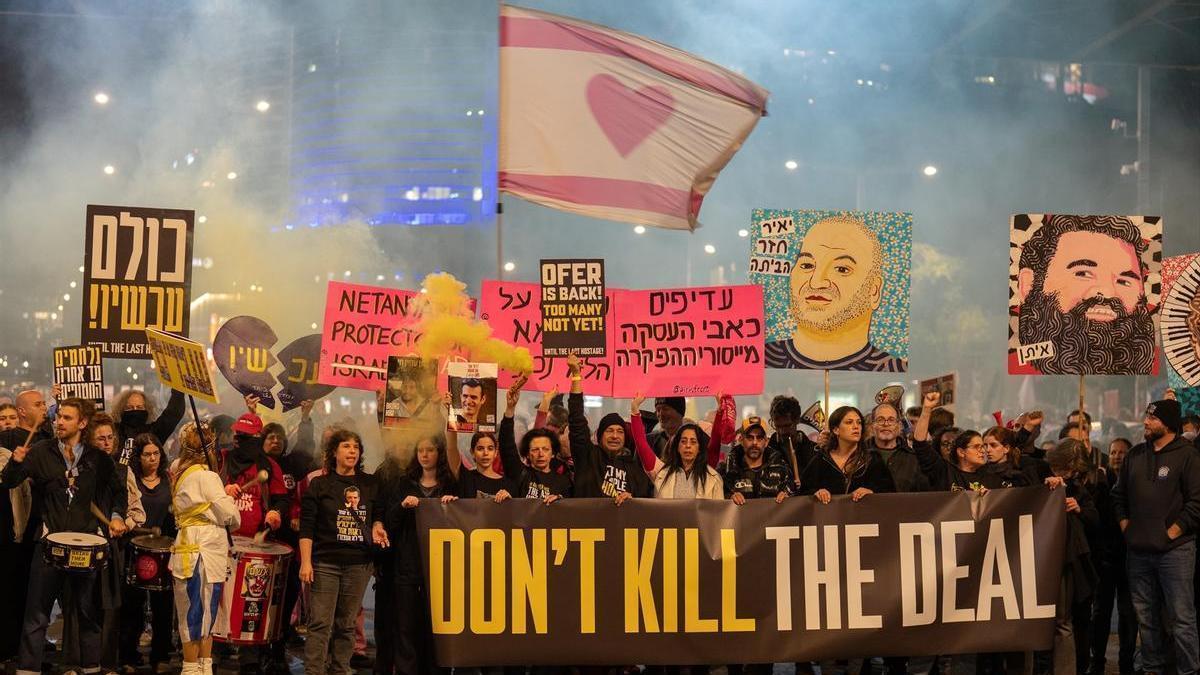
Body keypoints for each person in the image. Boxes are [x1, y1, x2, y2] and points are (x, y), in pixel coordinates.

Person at [0, 397, 128, 675]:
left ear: (82, 423)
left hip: (85, 546)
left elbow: (119, 492)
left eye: (67, 418)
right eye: (59, 417)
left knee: (87, 614)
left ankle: (91, 668)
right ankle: (28, 670)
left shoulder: (98, 459)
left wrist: (117, 516)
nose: (59, 421)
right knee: (36, 616)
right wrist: (15, 463)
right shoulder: (40, 451)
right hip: (48, 545)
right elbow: (9, 482)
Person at [1111, 399, 1200, 675]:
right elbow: (1118, 496)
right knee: (1146, 617)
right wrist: (1127, 527)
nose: (1145, 422)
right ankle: (1152, 668)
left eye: (1152, 418)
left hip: (1176, 551)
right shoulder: (1136, 455)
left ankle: (1188, 670)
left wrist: (1171, 532)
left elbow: (1196, 502)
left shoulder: (1188, 456)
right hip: (1138, 552)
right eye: (1146, 417)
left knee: (1182, 618)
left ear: (1168, 423)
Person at [1011, 214, 1155, 374]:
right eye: (1083, 273)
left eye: (1123, 281)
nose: (1107, 292)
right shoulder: (1020, 363)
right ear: (1028, 285)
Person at [765, 214, 905, 371]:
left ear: (875, 291)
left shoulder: (894, 369)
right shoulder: (761, 359)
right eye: (806, 265)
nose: (816, 282)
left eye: (842, 269)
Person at [299, 429, 388, 675]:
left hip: (358, 564)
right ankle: (314, 671)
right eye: (346, 446)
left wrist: (378, 527)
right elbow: (307, 526)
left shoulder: (370, 483)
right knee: (320, 624)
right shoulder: (320, 484)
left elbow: (377, 515)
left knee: (346, 624)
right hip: (325, 563)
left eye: (356, 447)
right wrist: (306, 562)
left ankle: (341, 669)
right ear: (334, 452)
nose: (352, 451)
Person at [376, 434, 456, 675]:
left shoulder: (450, 484)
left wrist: (453, 506)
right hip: (407, 566)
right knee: (406, 627)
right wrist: (402, 506)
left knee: (437, 627)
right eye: (420, 450)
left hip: (442, 568)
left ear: (438, 453)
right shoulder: (404, 483)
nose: (424, 454)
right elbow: (389, 522)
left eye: (430, 450)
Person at [171, 420, 240, 675]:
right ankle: (193, 670)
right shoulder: (208, 475)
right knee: (201, 615)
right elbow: (232, 517)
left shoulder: (179, 469)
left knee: (195, 613)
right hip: (204, 551)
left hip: (189, 547)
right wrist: (228, 501)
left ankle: (201, 668)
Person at [120, 433, 177, 673]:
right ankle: (128, 656)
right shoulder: (130, 479)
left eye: (156, 454)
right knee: (132, 605)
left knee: (163, 605)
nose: (152, 458)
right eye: (147, 454)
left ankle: (161, 655)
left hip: (163, 550)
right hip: (135, 548)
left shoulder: (168, 479)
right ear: (138, 457)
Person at [566, 354, 652, 502]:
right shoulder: (587, 456)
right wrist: (576, 376)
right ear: (599, 436)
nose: (615, 436)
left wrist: (633, 500)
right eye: (609, 431)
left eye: (620, 432)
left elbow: (646, 502)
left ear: (625, 438)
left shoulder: (635, 470)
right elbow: (576, 419)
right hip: (587, 523)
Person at [1088, 438, 1136, 675]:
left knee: (1128, 613)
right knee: (1100, 612)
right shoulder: (1099, 481)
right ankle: (1097, 660)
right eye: (1114, 452)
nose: (1117, 456)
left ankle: (1126, 661)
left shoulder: (1135, 482)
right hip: (1104, 558)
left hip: (1131, 558)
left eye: (1122, 452)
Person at [630, 394, 722, 500]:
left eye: (693, 442)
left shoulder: (710, 474)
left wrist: (720, 412)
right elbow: (641, 443)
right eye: (683, 441)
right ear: (676, 446)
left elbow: (715, 444)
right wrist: (634, 409)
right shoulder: (661, 473)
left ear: (699, 447)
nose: (688, 446)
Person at [801, 406, 895, 503]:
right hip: (830, 516)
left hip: (862, 516)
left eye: (859, 422)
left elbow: (890, 493)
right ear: (836, 430)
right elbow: (803, 492)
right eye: (849, 422)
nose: (856, 426)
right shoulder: (821, 459)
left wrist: (872, 492)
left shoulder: (872, 459)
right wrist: (816, 492)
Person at [500, 375, 572, 501]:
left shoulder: (563, 482)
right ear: (527, 454)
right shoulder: (520, 473)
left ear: (553, 453)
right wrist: (510, 408)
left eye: (545, 449)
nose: (540, 454)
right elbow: (506, 445)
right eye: (535, 450)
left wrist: (560, 501)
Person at [721, 415, 792, 505]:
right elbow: (718, 502)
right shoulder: (727, 471)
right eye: (750, 437)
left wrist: (788, 497)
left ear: (766, 442)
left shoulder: (781, 468)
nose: (755, 442)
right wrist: (729, 497)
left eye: (759, 438)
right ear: (741, 440)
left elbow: (795, 496)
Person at [111, 387, 186, 465]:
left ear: (147, 409)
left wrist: (178, 389)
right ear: (121, 409)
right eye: (129, 408)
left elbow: (173, 413)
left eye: (139, 407)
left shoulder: (153, 432)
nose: (135, 410)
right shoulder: (114, 431)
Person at [865, 401, 928, 492]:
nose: (886, 424)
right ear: (872, 426)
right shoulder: (858, 455)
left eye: (891, 420)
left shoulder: (914, 459)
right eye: (880, 420)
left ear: (899, 426)